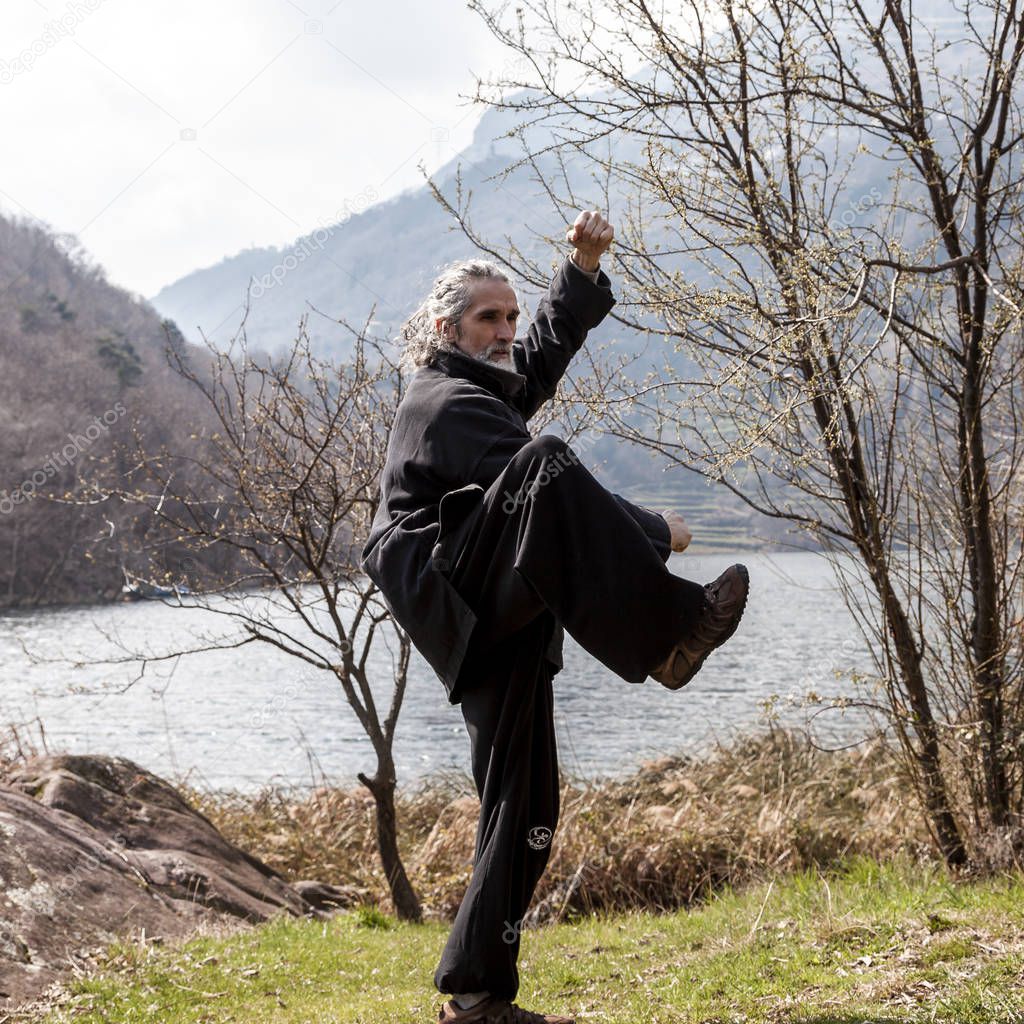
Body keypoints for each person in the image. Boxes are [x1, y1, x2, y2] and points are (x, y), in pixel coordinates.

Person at [360, 210, 749, 1024]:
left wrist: (579, 266)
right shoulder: (443, 403)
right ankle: (673, 636)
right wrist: (655, 532)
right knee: (547, 460)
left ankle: (477, 998)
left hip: (493, 607)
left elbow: (532, 363)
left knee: (527, 806)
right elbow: (541, 479)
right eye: (487, 318)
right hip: (459, 594)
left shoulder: (477, 388)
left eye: (509, 314)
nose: (505, 330)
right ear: (446, 329)